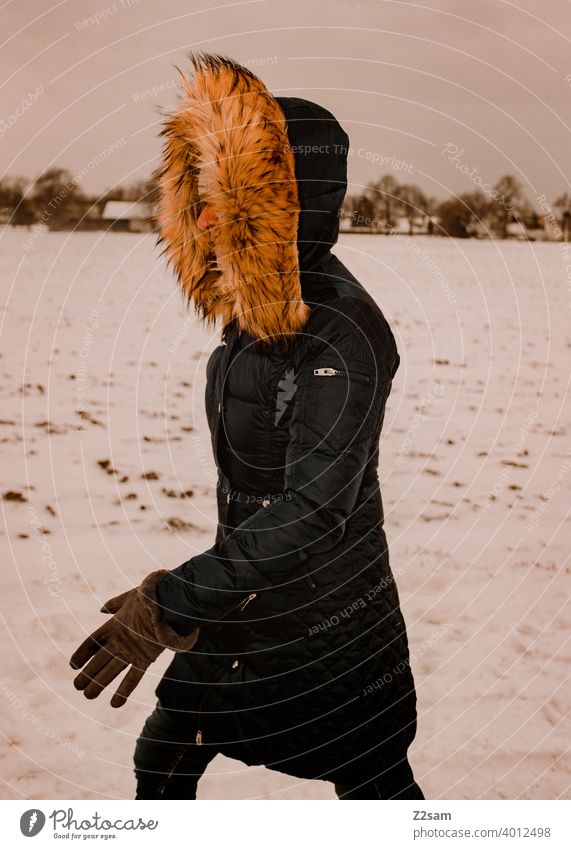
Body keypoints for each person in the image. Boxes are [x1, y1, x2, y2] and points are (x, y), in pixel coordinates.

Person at [69, 52, 424, 801]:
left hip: (328, 628)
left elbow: (313, 508)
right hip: (239, 609)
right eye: (196, 193)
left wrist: (171, 600)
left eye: (225, 198)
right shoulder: (253, 319)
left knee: (374, 783)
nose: (201, 217)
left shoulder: (341, 334)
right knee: (162, 758)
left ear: (286, 207)